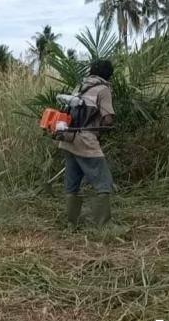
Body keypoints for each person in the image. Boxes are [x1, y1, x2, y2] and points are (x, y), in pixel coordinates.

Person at [57, 60, 116, 227]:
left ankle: (71, 224)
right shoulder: (103, 89)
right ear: (109, 74)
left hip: (68, 138)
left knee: (72, 182)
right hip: (86, 141)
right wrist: (107, 126)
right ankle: (105, 226)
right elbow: (108, 118)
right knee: (103, 182)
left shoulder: (80, 86)